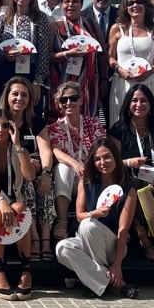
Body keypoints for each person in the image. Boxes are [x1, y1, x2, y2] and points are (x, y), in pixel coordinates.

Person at [54, 139, 136, 298]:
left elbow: (123, 229)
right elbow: (79, 215)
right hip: (87, 236)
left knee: (88, 225)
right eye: (97, 159)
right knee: (62, 248)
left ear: (116, 158)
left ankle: (98, 283)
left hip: (114, 244)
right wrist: (95, 213)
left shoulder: (128, 189)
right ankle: (116, 284)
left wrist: (117, 264)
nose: (103, 162)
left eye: (107, 157)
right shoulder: (86, 182)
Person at [109, 85, 154, 262]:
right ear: (128, 103)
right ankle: (146, 244)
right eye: (134, 100)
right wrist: (129, 162)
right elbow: (112, 162)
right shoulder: (118, 129)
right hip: (131, 177)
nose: (139, 104)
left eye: (144, 100)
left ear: (151, 104)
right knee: (130, 189)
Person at [0, 109, 36, 301]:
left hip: (12, 204)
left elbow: (29, 176)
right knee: (1, 211)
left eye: (5, 125)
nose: (0, 129)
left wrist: (18, 144)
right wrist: (0, 201)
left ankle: (26, 270)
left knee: (22, 210)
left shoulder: (18, 150)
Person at [0, 75, 57, 260]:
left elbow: (46, 150)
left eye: (24, 95)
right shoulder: (0, 121)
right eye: (15, 94)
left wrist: (47, 172)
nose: (19, 99)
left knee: (45, 185)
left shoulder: (36, 122)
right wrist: (23, 156)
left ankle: (46, 239)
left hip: (36, 170)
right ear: (7, 96)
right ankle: (34, 237)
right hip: (12, 173)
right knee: (26, 184)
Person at [47, 81, 105, 240]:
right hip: (68, 178)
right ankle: (62, 220)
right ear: (59, 104)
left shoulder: (92, 123)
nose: (68, 103)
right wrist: (75, 164)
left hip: (91, 174)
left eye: (73, 98)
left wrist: (87, 168)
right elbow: (56, 152)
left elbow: (102, 148)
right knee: (63, 167)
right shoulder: (54, 127)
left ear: (80, 100)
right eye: (64, 100)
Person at [0, 0, 52, 114]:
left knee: (29, 115)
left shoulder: (40, 18)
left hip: (29, 73)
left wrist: (37, 82)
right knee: (4, 114)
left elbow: (43, 54)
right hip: (5, 72)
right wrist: (5, 55)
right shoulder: (4, 15)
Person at [107, 0, 154, 117]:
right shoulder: (117, 28)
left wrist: (150, 71)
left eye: (140, 2)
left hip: (149, 80)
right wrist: (120, 70)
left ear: (146, 5)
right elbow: (110, 57)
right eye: (130, 3)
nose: (135, 5)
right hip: (123, 81)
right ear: (125, 7)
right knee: (122, 119)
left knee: (149, 119)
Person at [50, 0, 101, 121]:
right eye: (67, 2)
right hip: (61, 83)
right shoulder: (54, 27)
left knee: (87, 121)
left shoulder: (91, 25)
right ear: (61, 4)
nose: (71, 5)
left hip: (88, 84)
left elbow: (102, 54)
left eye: (75, 1)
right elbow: (47, 57)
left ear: (82, 4)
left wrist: (104, 80)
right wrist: (67, 54)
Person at [82, 0, 116, 127]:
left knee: (114, 117)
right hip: (88, 75)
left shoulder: (122, 16)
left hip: (115, 74)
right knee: (89, 118)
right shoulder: (82, 17)